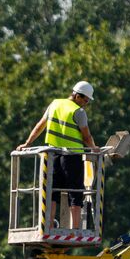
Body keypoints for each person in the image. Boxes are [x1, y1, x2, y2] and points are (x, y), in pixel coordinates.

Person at [17, 81, 98, 230]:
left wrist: (27, 143)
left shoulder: (54, 104)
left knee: (52, 192)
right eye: (85, 100)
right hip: (72, 157)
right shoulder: (78, 112)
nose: (85, 104)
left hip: (53, 155)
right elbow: (86, 136)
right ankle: (75, 229)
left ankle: (48, 226)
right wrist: (94, 148)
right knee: (76, 193)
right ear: (77, 96)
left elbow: (40, 125)